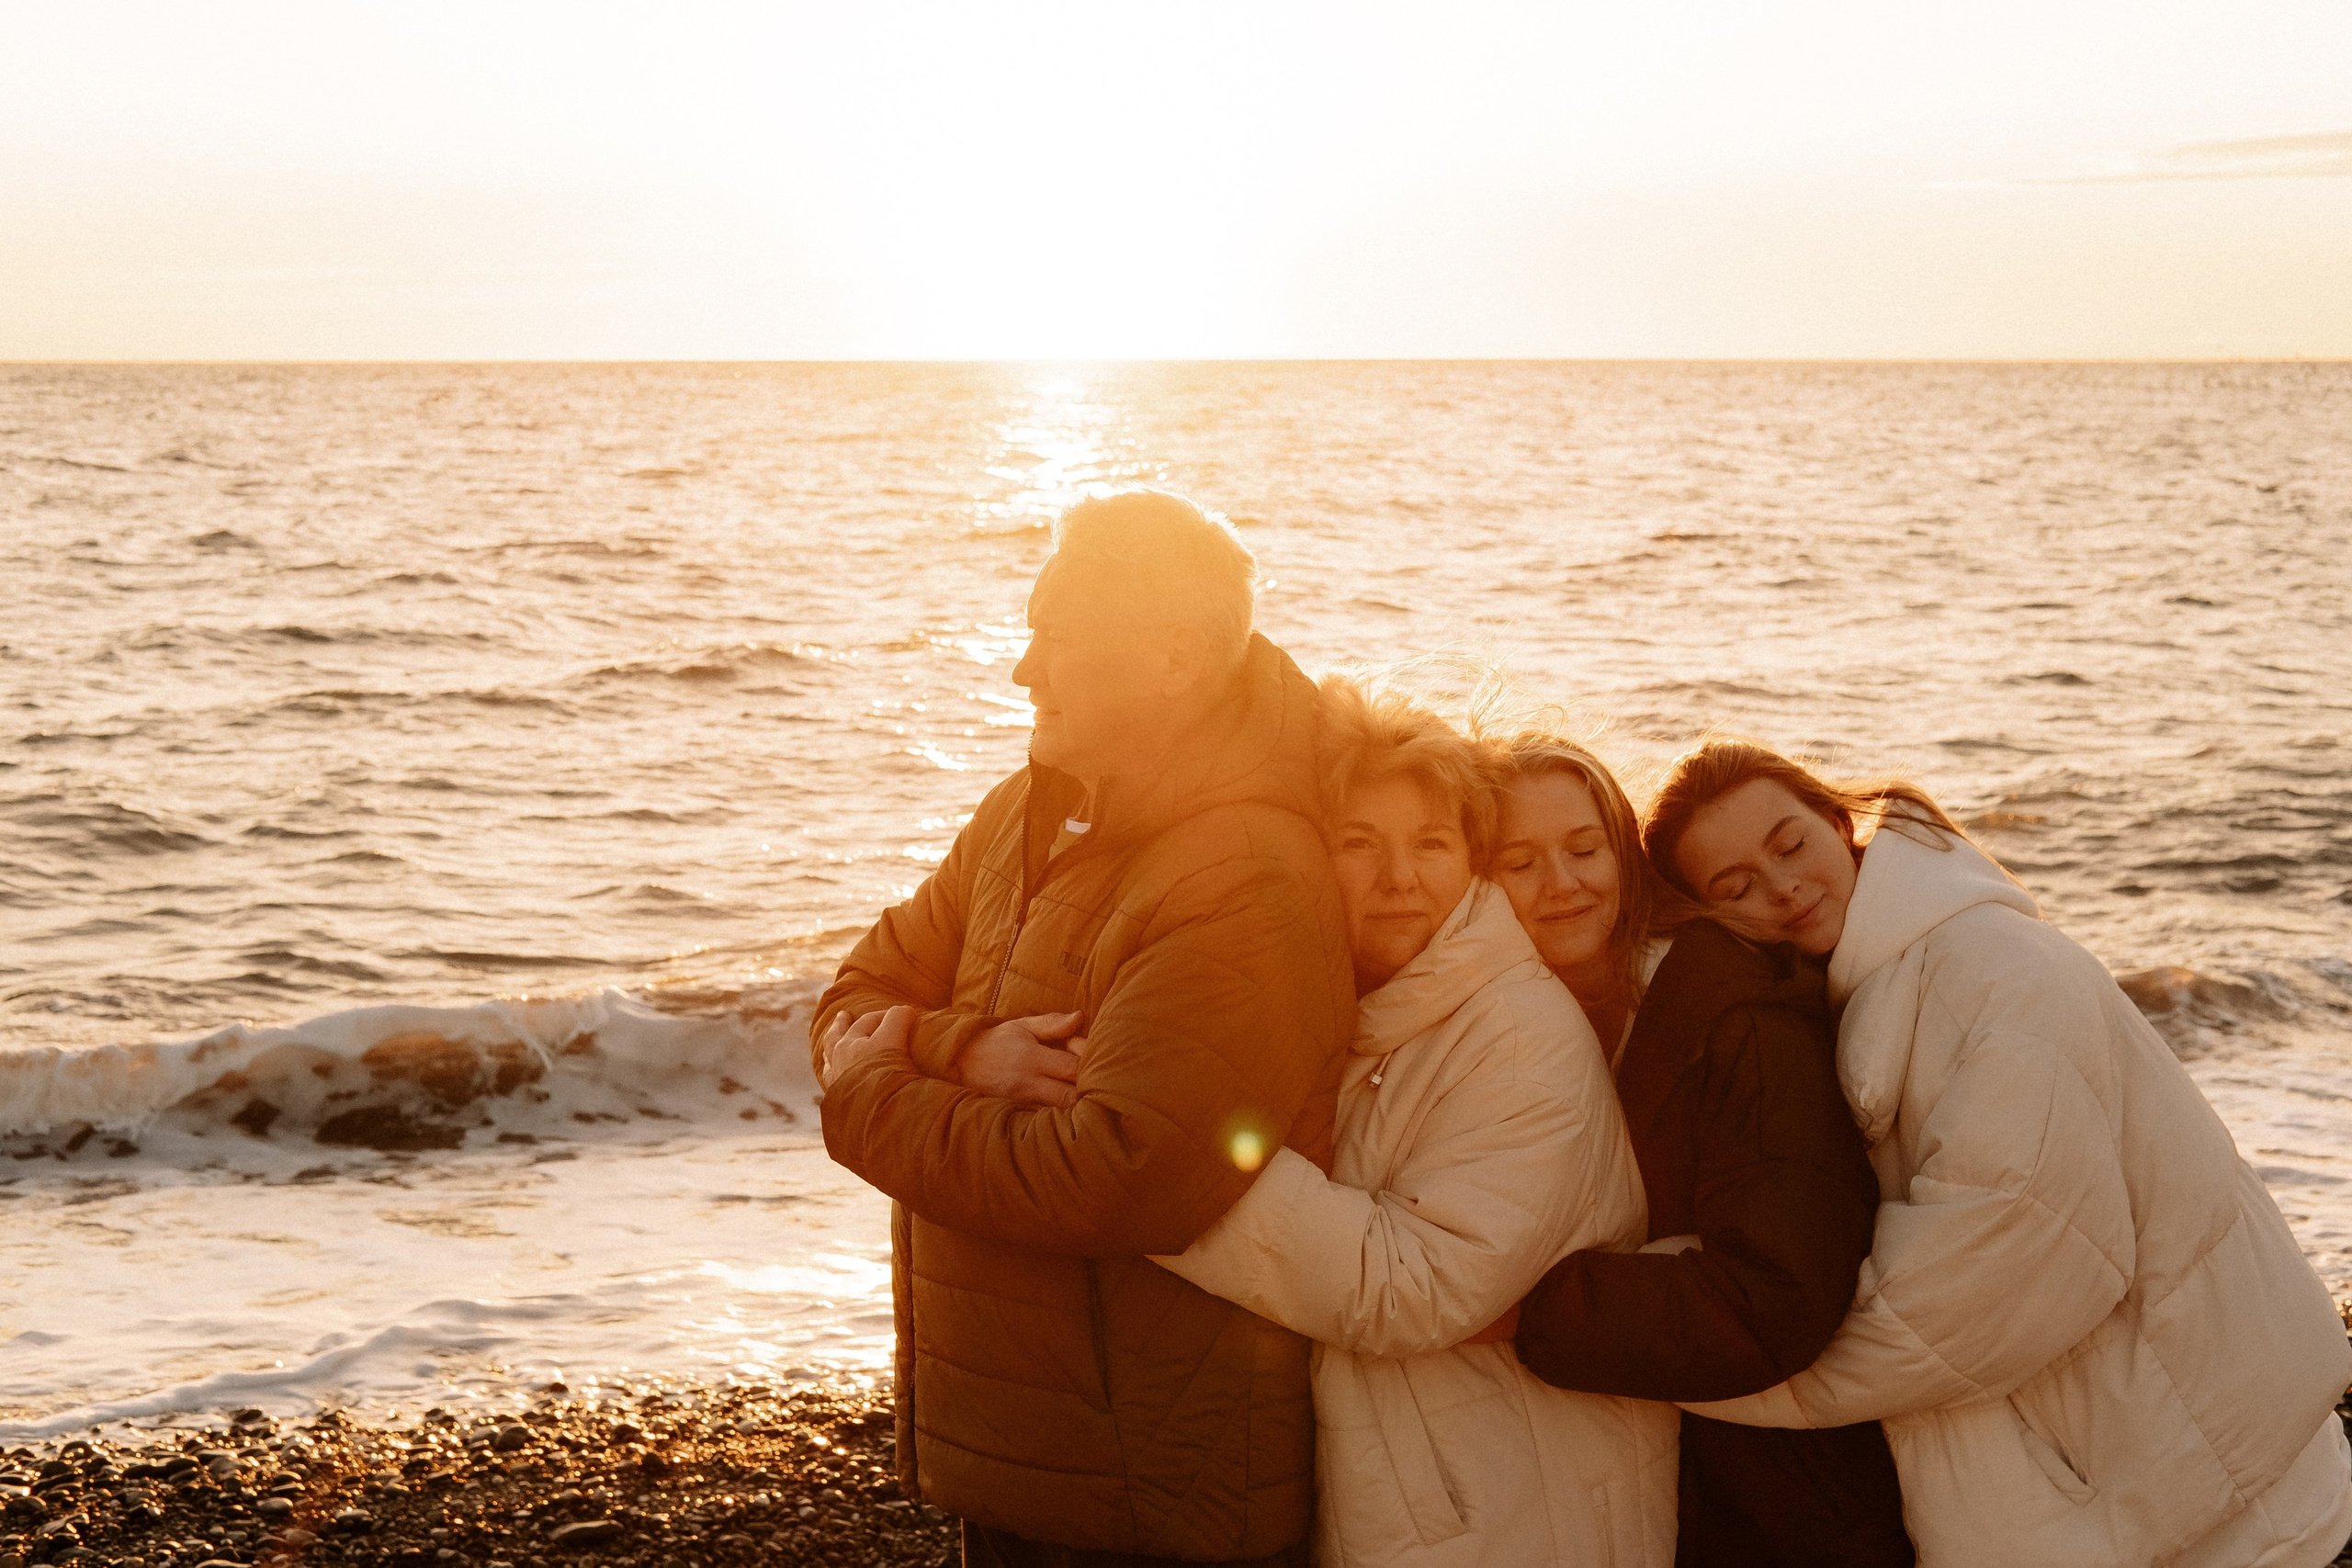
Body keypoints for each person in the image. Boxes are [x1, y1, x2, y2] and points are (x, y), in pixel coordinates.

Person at [811, 491, 1357, 1566]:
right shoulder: (1028, 807)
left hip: (1146, 1494)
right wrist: (949, 1048)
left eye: (1055, 639)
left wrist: (870, 1098)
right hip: (1024, 1451)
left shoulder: (1245, 874)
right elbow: (852, 997)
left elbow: (1119, 1176)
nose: (1025, 671)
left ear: (1174, 658)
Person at [1647, 739, 2352, 1568]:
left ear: (1839, 823)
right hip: (2175, 1487)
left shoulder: (1992, 972)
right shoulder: (1880, 986)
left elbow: (1981, 1287)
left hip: (2230, 1520)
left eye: (1789, 843)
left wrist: (1690, 1349)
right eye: (1735, 887)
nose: (1781, 886)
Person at [1127, 681, 1677, 1566]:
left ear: (1468, 859)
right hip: (1441, 1483)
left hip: (1519, 1507)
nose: (1400, 878)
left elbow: (1412, 1284)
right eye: (1360, 844)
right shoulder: (1374, 1008)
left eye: (1430, 843)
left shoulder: (1517, 1036)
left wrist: (1152, 1166)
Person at [1484, 732, 1914, 1567]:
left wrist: (1532, 1310)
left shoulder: (1734, 1019)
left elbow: (1774, 1293)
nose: (1564, 883)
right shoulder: (1529, 1023)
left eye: (1583, 848)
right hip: (1671, 1481)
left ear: (1624, 855)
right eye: (1520, 861)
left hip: (1795, 1507)